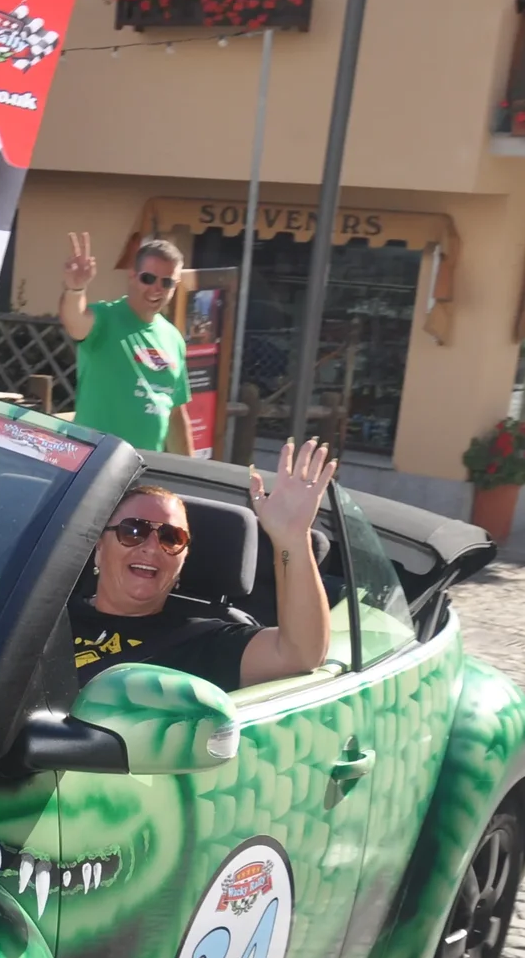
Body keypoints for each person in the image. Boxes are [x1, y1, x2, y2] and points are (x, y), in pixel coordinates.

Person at [71, 437, 338, 693]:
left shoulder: (201, 641)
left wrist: (291, 538)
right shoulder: (47, 615)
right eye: (133, 531)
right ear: (99, 547)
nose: (151, 547)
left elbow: (300, 654)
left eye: (171, 538)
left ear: (182, 560)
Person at [59, 231, 195, 457]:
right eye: (148, 278)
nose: (157, 288)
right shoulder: (106, 319)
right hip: (94, 462)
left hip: (146, 468)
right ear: (132, 275)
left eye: (167, 282)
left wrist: (191, 474)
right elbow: (75, 321)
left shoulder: (173, 337)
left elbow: (176, 412)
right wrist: (75, 289)